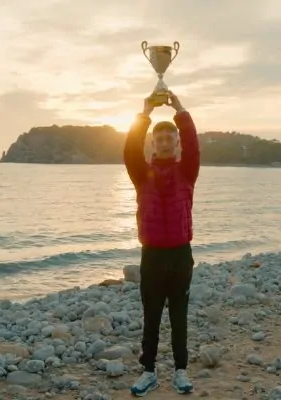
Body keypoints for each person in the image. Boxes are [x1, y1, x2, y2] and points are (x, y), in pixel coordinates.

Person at [123, 91, 200, 396]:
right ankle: (149, 372)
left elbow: (194, 145)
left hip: (181, 255)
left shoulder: (187, 172)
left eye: (171, 138)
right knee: (151, 314)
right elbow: (129, 151)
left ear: (176, 143)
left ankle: (181, 371)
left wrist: (180, 109)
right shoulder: (141, 174)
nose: (166, 142)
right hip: (152, 255)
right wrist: (144, 114)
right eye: (160, 139)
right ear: (153, 143)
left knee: (179, 314)